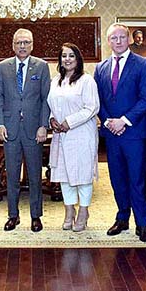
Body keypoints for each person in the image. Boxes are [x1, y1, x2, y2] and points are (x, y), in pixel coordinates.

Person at [95, 23, 146, 242]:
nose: (118, 41)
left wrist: (124, 121)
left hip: (133, 133)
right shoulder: (100, 68)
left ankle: (142, 223)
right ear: (108, 41)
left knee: (137, 180)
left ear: (129, 39)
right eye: (113, 38)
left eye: (122, 37)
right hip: (111, 134)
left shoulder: (143, 64)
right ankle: (122, 218)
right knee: (117, 179)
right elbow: (98, 100)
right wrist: (108, 120)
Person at [0, 28, 51, 232]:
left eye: (26, 42)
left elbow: (46, 98)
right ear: (13, 45)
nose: (22, 46)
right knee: (12, 176)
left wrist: (44, 125)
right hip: (10, 130)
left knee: (35, 175)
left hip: (34, 130)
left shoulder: (42, 67)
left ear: (32, 44)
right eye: (19, 42)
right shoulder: (3, 67)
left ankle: (36, 216)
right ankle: (13, 215)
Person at [47, 43, 100, 232]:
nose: (67, 59)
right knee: (64, 175)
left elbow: (92, 107)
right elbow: (51, 106)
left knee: (82, 175)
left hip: (81, 133)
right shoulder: (55, 81)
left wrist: (69, 122)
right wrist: (51, 119)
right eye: (64, 56)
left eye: (71, 56)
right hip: (60, 135)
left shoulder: (87, 81)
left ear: (78, 59)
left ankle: (84, 212)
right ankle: (69, 211)